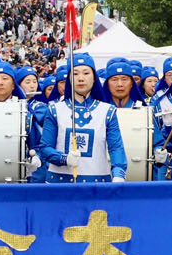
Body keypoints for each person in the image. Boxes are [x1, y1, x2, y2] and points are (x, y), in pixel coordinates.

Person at [41, 53, 126, 183]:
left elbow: (116, 148)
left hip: (97, 184)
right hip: (59, 184)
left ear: (94, 78)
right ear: (69, 78)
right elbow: (45, 147)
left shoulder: (107, 111)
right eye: (75, 74)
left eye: (86, 73)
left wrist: (119, 174)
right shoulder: (55, 110)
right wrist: (64, 159)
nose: (81, 78)